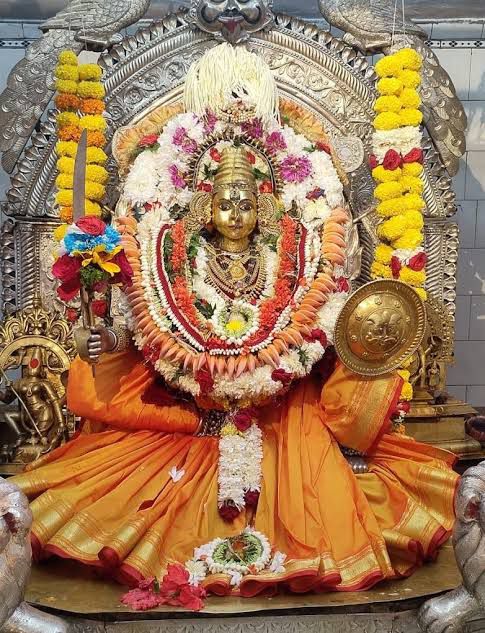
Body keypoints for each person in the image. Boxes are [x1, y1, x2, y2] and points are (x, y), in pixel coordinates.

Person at [10, 45, 458, 597]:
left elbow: (320, 318)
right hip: (188, 407)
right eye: (226, 201)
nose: (237, 212)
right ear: (204, 206)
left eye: (247, 202)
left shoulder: (293, 257)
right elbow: (138, 329)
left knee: (318, 487)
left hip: (282, 408)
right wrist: (104, 335)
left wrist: (354, 338)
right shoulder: (170, 259)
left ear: (266, 207)